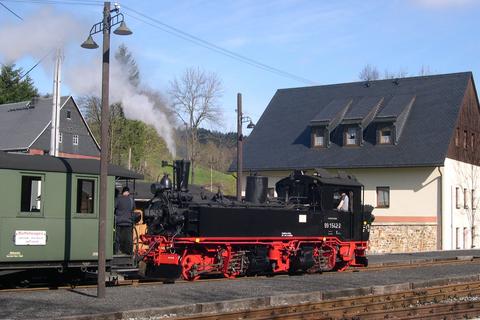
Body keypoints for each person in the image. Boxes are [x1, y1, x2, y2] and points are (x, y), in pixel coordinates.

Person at [115, 186, 135, 255]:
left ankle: (117, 251)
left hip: (119, 222)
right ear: (128, 192)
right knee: (128, 239)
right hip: (128, 223)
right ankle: (129, 252)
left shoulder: (118, 199)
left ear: (122, 192)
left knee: (118, 238)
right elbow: (133, 210)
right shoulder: (131, 200)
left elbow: (114, 208)